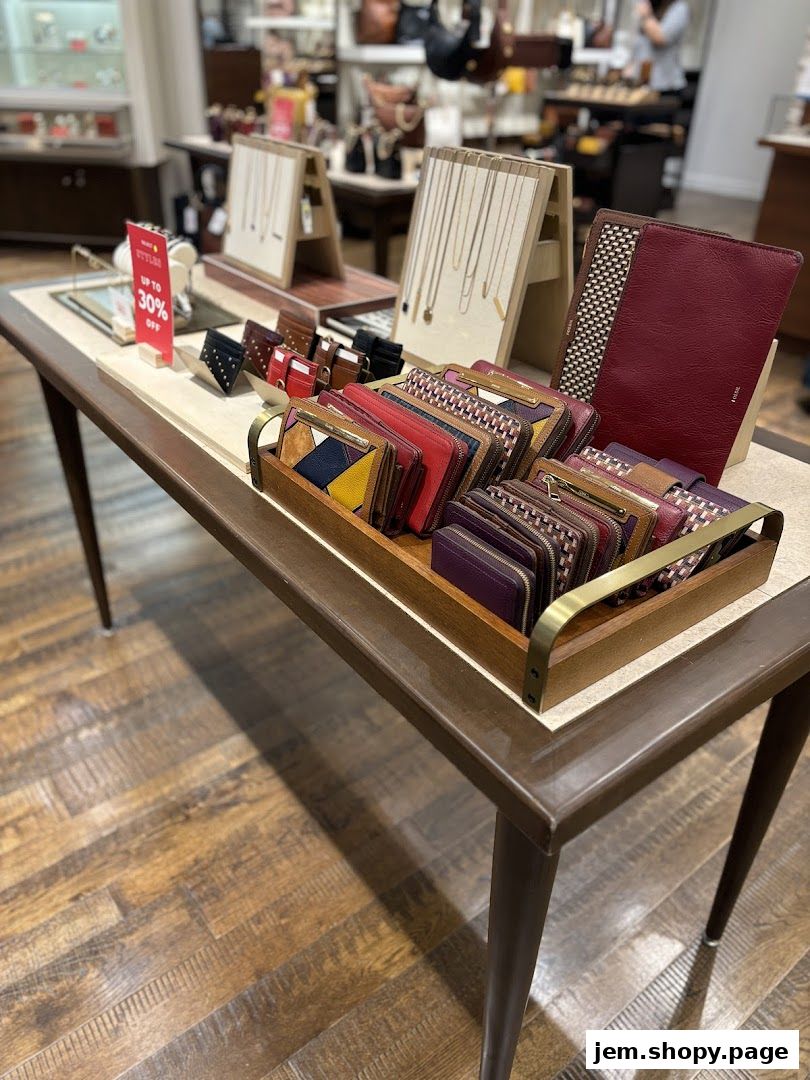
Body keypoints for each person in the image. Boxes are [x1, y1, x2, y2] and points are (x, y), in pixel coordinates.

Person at [627, 0, 690, 95]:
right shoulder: (650, 5)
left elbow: (660, 38)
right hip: (641, 83)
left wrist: (646, 16)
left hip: (665, 86)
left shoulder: (679, 8)